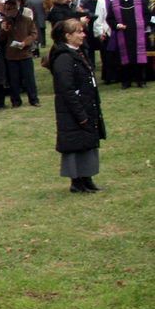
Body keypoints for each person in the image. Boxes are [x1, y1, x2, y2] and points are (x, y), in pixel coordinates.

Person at [47, 19, 105, 193]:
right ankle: (77, 181)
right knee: (75, 144)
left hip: (86, 105)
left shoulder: (79, 53)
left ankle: (87, 178)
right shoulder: (64, 58)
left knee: (87, 143)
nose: (83, 35)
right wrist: (80, 114)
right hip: (73, 110)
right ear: (68, 36)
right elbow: (67, 90)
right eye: (79, 32)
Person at [106, 0, 150, 88]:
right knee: (124, 57)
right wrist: (117, 25)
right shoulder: (114, 3)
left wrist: (142, 25)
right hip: (123, 33)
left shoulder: (139, 1)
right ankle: (126, 81)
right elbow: (110, 18)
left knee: (138, 56)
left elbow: (147, 15)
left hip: (137, 33)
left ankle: (140, 80)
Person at [0, 0, 40, 107]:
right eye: (7, 9)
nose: (10, 11)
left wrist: (25, 42)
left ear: (17, 8)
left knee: (29, 79)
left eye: (12, 8)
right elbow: (1, 40)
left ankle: (34, 99)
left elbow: (34, 34)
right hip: (11, 55)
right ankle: (16, 101)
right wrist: (4, 30)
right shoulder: (5, 22)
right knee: (13, 80)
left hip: (25, 53)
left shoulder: (26, 20)